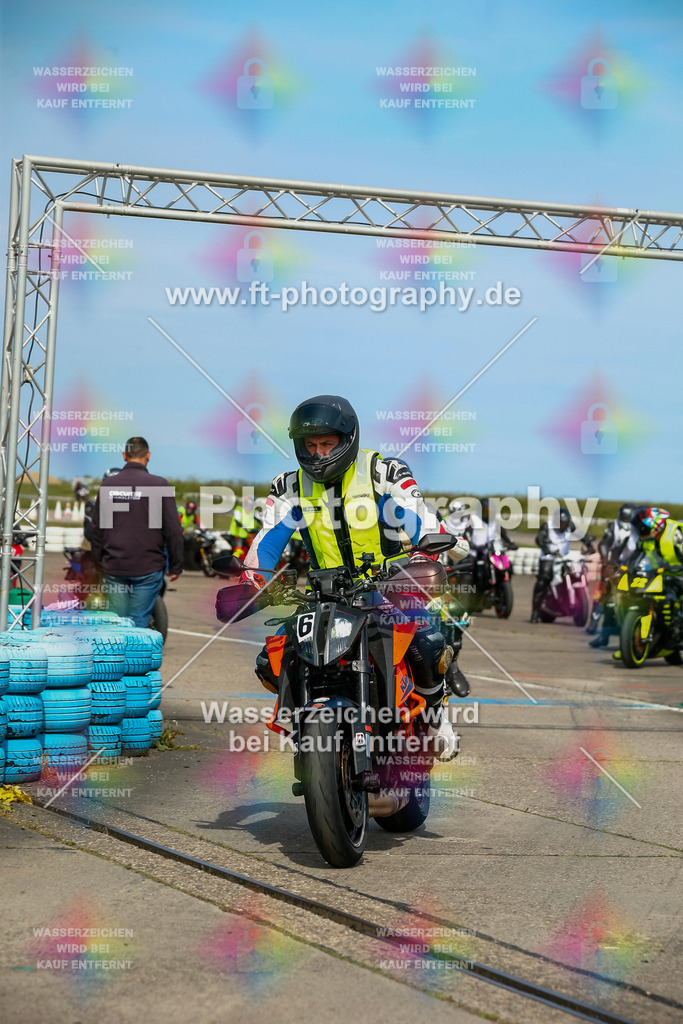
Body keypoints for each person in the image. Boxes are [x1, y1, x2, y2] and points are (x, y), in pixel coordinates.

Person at [219, 394, 469, 761]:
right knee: (271, 661)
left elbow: (419, 519)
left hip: (389, 587)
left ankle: (434, 719)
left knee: (427, 645)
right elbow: (268, 539)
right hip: (325, 594)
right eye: (311, 445)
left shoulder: (382, 473)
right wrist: (253, 580)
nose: (318, 453)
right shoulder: (290, 487)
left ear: (347, 439)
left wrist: (424, 551)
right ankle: (309, 734)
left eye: (327, 443)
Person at [89, 437, 183, 627]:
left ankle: (116, 656)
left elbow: (96, 529)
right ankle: (135, 655)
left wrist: (100, 562)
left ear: (125, 456)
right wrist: (176, 565)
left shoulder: (108, 486)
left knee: (116, 622)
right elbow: (173, 528)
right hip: (148, 566)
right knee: (138, 622)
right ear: (148, 455)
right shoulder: (159, 485)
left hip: (114, 565)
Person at [588, 503, 635, 648]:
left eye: (628, 517)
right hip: (614, 565)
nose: (626, 520)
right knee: (606, 598)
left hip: (634, 568)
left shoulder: (639, 531)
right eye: (624, 517)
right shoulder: (613, 527)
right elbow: (604, 543)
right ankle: (599, 630)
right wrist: (605, 560)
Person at [530, 506, 574, 623]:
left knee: (575, 574)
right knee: (543, 581)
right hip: (548, 557)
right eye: (561, 524)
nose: (563, 526)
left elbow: (581, 534)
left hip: (564, 557)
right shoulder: (547, 526)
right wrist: (545, 548)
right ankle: (535, 612)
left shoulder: (570, 526)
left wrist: (588, 542)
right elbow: (539, 538)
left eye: (565, 524)